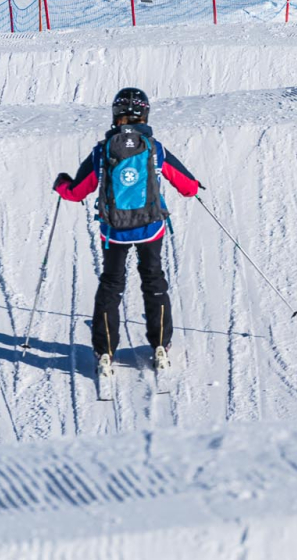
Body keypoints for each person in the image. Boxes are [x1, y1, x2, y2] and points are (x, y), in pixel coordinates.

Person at [53, 87, 201, 377]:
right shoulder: (155, 148)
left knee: (111, 285)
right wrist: (195, 187)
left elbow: (76, 191)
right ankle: (160, 344)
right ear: (145, 114)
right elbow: (188, 187)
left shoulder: (102, 151)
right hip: (150, 228)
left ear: (115, 116)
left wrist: (61, 184)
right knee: (154, 280)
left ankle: (105, 350)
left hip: (114, 231)